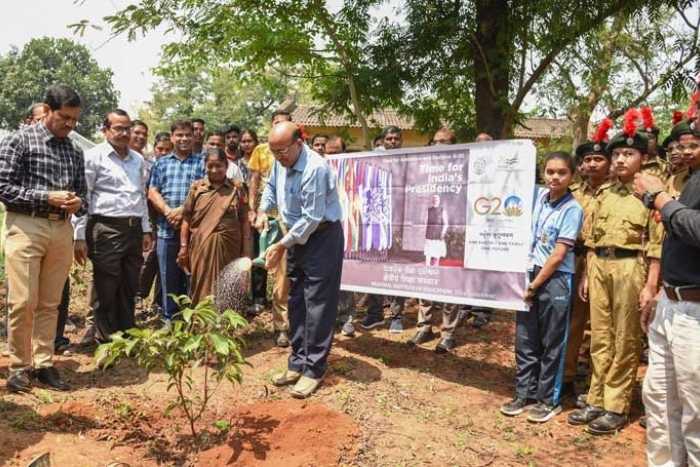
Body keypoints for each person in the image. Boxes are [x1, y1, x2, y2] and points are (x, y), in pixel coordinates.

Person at [568, 109, 663, 435]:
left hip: (630, 266)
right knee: (601, 337)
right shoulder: (605, 194)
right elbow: (592, 239)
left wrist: (650, 285)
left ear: (643, 157)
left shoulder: (650, 194)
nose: (621, 159)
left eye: (629, 153)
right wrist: (586, 273)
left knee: (625, 339)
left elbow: (656, 245)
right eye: (617, 154)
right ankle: (595, 397)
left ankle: (616, 406)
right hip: (599, 267)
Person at [0, 85, 86, 393]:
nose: (71, 125)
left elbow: (83, 194)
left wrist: (78, 204)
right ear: (46, 110)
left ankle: (43, 363)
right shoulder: (18, 141)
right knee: (23, 300)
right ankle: (19, 367)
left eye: (75, 119)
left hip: (61, 228)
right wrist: (46, 196)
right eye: (65, 117)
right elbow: (4, 188)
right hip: (25, 226)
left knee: (51, 302)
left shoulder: (74, 149)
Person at [257, 121, 344, 399]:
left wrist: (281, 245)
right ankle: (298, 361)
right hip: (294, 238)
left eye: (282, 151)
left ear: (298, 143)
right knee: (296, 300)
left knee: (317, 303)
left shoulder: (315, 168)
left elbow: (311, 218)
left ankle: (314, 370)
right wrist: (262, 209)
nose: (278, 157)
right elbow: (270, 188)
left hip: (321, 237)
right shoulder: (279, 162)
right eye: (273, 152)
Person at [633, 119, 700, 467]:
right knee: (659, 400)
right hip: (674, 304)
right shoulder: (692, 177)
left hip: (696, 316)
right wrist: (663, 291)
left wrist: (657, 197)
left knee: (696, 414)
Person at [500, 151, 583, 422]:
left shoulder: (572, 209)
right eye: (550, 172)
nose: (555, 177)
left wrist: (534, 285)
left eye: (562, 173)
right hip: (530, 273)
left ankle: (550, 399)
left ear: (572, 176)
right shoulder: (537, 199)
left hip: (556, 278)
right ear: (543, 173)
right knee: (526, 338)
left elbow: (558, 255)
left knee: (552, 341)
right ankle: (525, 393)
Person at [73, 109, 152, 345]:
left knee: (129, 285)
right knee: (106, 287)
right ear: (105, 130)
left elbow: (140, 195)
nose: (124, 133)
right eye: (118, 128)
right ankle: (105, 341)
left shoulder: (137, 159)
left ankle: (127, 336)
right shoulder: (94, 156)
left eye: (127, 128)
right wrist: (79, 235)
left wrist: (146, 229)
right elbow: (83, 196)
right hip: (105, 228)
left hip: (133, 229)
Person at [563, 121, 613, 402]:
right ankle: (567, 377)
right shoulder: (573, 195)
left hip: (608, 262)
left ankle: (599, 384)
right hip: (577, 260)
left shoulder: (620, 193)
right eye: (587, 160)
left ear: (608, 163)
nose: (592, 164)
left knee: (604, 326)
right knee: (574, 321)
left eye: (598, 159)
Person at [148, 119, 205, 322]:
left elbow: (204, 192)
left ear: (194, 136)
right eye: (179, 135)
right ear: (172, 137)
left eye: (188, 134)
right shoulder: (161, 163)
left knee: (193, 279)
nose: (184, 139)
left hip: (194, 233)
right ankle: (170, 320)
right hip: (166, 230)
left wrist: (182, 210)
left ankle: (192, 322)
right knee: (168, 279)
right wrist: (168, 211)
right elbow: (153, 191)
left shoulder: (202, 162)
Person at [178, 148, 251, 305]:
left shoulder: (237, 188)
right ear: (204, 166)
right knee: (201, 286)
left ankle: (224, 327)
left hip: (230, 246)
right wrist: (183, 247)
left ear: (226, 166)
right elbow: (186, 220)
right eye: (210, 166)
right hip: (201, 247)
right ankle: (200, 326)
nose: (214, 170)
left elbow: (245, 220)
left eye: (219, 165)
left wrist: (246, 250)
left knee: (228, 285)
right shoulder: (197, 188)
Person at [248, 110, 294, 347]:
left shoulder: (303, 156)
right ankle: (280, 327)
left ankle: (298, 323)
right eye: (276, 124)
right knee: (276, 273)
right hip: (273, 222)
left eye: (284, 124)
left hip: (299, 224)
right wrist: (257, 210)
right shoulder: (264, 153)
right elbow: (260, 183)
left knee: (292, 277)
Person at [361, 126, 407, 332]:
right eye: (389, 139)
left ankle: (396, 316)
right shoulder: (373, 161)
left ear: (401, 141)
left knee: (398, 269)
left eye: (396, 139)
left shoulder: (410, 161)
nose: (392, 142)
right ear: (383, 141)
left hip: (400, 224)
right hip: (377, 223)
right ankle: (375, 314)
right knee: (374, 268)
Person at [325, 135, 355, 337]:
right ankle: (326, 319)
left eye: (337, 152)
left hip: (348, 229)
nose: (332, 156)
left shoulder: (352, 172)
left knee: (346, 275)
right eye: (329, 152)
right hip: (322, 232)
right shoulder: (317, 170)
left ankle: (347, 318)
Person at [424, 194, 448, 266]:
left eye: (436, 200)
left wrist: (443, 233)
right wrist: (425, 234)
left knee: (437, 252)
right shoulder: (429, 210)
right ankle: (427, 266)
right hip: (429, 234)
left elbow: (446, 223)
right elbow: (425, 222)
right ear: (432, 201)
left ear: (439, 201)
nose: (435, 201)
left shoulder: (442, 210)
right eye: (434, 200)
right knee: (428, 252)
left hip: (438, 234)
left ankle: (435, 266)